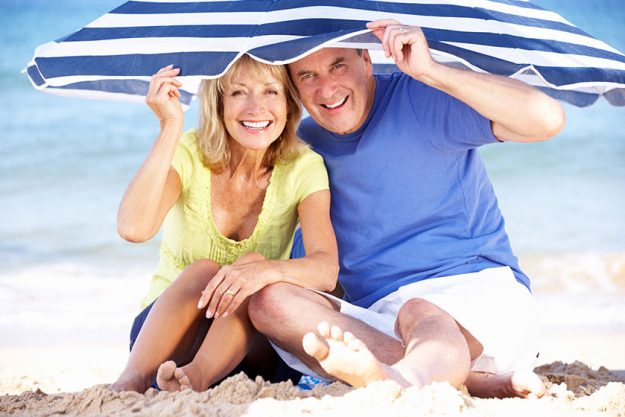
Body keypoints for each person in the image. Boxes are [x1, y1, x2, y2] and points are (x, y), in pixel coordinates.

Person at [248, 19, 565, 398]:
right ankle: (468, 382)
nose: (327, 88)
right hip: (383, 322)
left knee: (419, 310)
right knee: (269, 302)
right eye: (307, 76)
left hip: (481, 296)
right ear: (294, 89)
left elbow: (547, 119)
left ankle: (404, 383)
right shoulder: (303, 149)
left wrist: (433, 71)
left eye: (338, 66)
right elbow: (313, 264)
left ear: (367, 60)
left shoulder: (420, 97)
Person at [109, 55, 338, 393]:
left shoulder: (304, 166)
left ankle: (195, 379)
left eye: (271, 92)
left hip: (250, 347)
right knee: (205, 271)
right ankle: (130, 381)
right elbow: (133, 228)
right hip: (165, 341)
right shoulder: (191, 150)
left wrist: (263, 272)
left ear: (290, 104)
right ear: (218, 104)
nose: (256, 108)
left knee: (251, 270)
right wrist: (169, 127)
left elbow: (325, 269)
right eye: (238, 93)